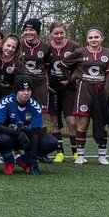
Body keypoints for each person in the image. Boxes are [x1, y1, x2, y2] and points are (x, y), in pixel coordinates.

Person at [66, 27, 109, 165]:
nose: (93, 40)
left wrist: (105, 93)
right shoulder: (80, 52)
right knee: (82, 124)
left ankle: (102, 155)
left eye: (96, 37)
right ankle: (80, 155)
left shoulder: (108, 53)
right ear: (87, 40)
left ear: (102, 38)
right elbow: (64, 64)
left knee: (102, 123)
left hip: (100, 91)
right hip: (84, 90)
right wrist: (71, 79)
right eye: (90, 38)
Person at [0, 75, 57, 175]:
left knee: (52, 143)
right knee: (1, 139)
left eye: (28, 90)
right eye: (22, 90)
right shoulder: (5, 102)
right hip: (10, 135)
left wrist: (33, 158)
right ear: (16, 91)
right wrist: (18, 133)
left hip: (27, 137)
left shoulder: (35, 106)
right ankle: (9, 162)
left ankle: (23, 160)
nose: (26, 93)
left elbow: (36, 132)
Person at [45, 22, 81, 159]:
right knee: (54, 121)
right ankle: (59, 152)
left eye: (61, 32)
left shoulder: (74, 46)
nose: (59, 35)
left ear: (65, 33)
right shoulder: (46, 47)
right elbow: (43, 67)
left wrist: (71, 79)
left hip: (69, 88)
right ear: (51, 34)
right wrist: (47, 83)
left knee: (72, 121)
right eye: (56, 33)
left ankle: (75, 152)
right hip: (53, 88)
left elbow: (80, 66)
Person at [18, 18, 51, 119]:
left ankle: (39, 133)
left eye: (31, 30)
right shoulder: (19, 45)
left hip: (39, 84)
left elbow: (47, 66)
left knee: (39, 113)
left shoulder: (45, 47)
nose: (28, 33)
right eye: (26, 30)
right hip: (23, 84)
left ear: (37, 32)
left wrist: (48, 83)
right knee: (22, 111)